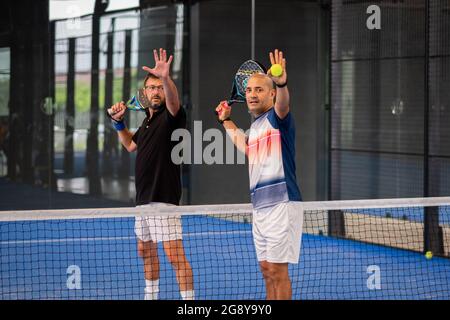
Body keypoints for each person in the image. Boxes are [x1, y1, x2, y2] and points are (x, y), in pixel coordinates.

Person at [215, 49, 303, 300]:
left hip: (282, 205)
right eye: (250, 90)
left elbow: (284, 105)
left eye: (260, 89)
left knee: (277, 271)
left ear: (272, 93)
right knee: (266, 270)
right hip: (260, 208)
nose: (252, 94)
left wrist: (282, 83)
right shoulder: (256, 127)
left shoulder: (278, 119)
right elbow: (245, 147)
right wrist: (225, 121)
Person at [108, 48, 194, 300]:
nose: (156, 91)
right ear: (144, 94)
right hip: (143, 200)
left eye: (159, 87)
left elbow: (174, 102)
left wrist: (166, 78)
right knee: (144, 250)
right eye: (151, 88)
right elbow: (130, 145)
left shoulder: (172, 117)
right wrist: (118, 124)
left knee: (175, 256)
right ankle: (151, 296)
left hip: (163, 198)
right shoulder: (146, 122)